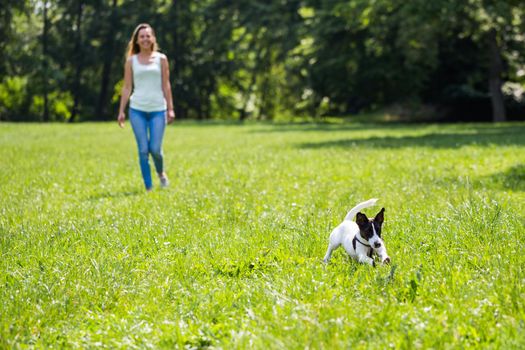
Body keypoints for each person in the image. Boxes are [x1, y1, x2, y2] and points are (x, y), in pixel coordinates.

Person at [117, 23, 175, 191]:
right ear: (136, 40)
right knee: (143, 150)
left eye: (148, 36)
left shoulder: (161, 59)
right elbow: (127, 87)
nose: (145, 39)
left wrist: (170, 108)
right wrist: (121, 110)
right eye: (141, 36)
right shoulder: (131, 61)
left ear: (153, 38)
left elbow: (166, 85)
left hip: (158, 109)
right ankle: (148, 187)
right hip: (137, 110)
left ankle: (161, 173)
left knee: (155, 149)